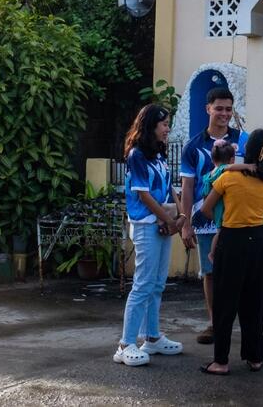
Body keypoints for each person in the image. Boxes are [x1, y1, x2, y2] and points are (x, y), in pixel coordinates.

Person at [195, 129, 263, 375]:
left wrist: (224, 219)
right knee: (253, 302)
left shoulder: (228, 178)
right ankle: (254, 358)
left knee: (224, 302)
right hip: (257, 242)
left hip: (231, 240)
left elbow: (206, 210)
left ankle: (221, 361)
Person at [114, 104, 185, 367]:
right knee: (143, 284)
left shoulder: (158, 154)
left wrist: (181, 216)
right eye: (164, 124)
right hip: (146, 224)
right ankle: (125, 344)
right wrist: (171, 221)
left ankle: (152, 337)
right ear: (151, 125)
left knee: (157, 284)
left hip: (162, 223)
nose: (168, 129)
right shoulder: (136, 155)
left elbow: (169, 188)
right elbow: (143, 195)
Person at [179, 87, 249, 345]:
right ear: (207, 108)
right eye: (219, 108)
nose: (224, 113)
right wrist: (185, 224)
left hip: (238, 218)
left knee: (240, 273)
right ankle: (214, 323)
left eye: (228, 109)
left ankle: (247, 327)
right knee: (210, 272)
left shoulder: (244, 140)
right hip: (206, 219)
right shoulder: (193, 146)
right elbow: (187, 188)